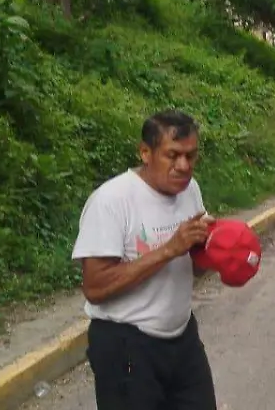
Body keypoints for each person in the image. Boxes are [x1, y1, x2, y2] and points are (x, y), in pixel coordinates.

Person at [72, 110, 219, 410]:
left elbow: (195, 264)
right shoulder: (112, 201)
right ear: (145, 153)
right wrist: (168, 249)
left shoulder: (190, 191)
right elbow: (96, 287)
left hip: (182, 338)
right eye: (173, 155)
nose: (183, 166)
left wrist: (218, 253)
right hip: (126, 345)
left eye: (191, 156)